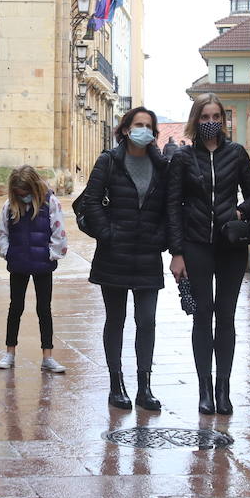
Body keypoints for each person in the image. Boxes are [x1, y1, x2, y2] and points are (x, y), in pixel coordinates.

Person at [168, 93, 250, 415]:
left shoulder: (236, 154)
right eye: (204, 117)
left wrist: (239, 212)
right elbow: (172, 206)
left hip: (230, 247)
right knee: (202, 317)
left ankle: (224, 387)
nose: (210, 122)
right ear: (196, 120)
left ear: (223, 120)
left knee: (227, 317)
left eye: (215, 116)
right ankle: (204, 389)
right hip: (195, 245)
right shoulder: (182, 159)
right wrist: (176, 252)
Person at [80, 105, 170, 411]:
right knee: (115, 319)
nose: (143, 129)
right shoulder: (109, 160)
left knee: (147, 320)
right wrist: (108, 233)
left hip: (147, 254)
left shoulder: (162, 165)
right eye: (138, 124)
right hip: (114, 254)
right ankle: (116, 384)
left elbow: (171, 206)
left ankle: (145, 386)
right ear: (126, 129)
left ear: (154, 132)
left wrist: (162, 238)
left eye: (148, 125)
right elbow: (91, 201)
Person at [0, 165, 68, 373]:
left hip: (42, 264)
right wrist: (7, 252)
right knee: (15, 307)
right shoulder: (10, 206)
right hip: (18, 263)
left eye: (26, 193)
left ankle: (48, 355)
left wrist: (53, 253)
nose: (23, 197)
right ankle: (10, 352)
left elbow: (59, 229)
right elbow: (2, 231)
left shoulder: (50, 202)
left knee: (44, 309)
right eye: (19, 194)